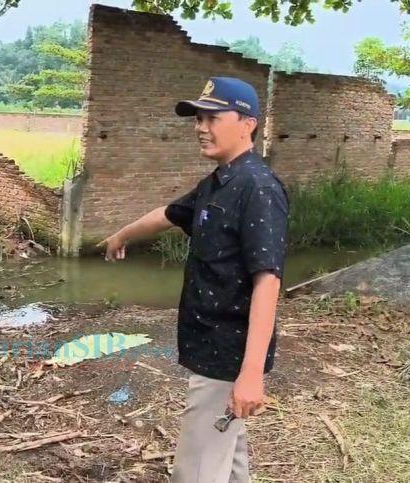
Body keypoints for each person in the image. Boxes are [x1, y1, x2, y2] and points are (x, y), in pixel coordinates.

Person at [98, 77, 289, 482]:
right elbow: (169, 213)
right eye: (198, 118)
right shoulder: (218, 182)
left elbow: (267, 281)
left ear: (247, 123)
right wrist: (121, 235)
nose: (201, 127)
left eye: (213, 117)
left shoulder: (257, 188)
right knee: (227, 455)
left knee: (197, 470)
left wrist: (251, 373)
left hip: (228, 354)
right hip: (207, 343)